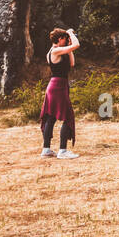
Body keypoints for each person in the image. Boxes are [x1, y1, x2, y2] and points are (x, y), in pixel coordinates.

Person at [40, 27, 79, 159]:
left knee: (51, 117)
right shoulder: (55, 51)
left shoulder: (54, 52)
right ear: (60, 39)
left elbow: (72, 63)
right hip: (58, 86)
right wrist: (70, 34)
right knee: (68, 116)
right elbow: (77, 45)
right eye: (65, 39)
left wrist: (68, 47)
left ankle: (46, 149)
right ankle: (62, 150)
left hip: (56, 85)